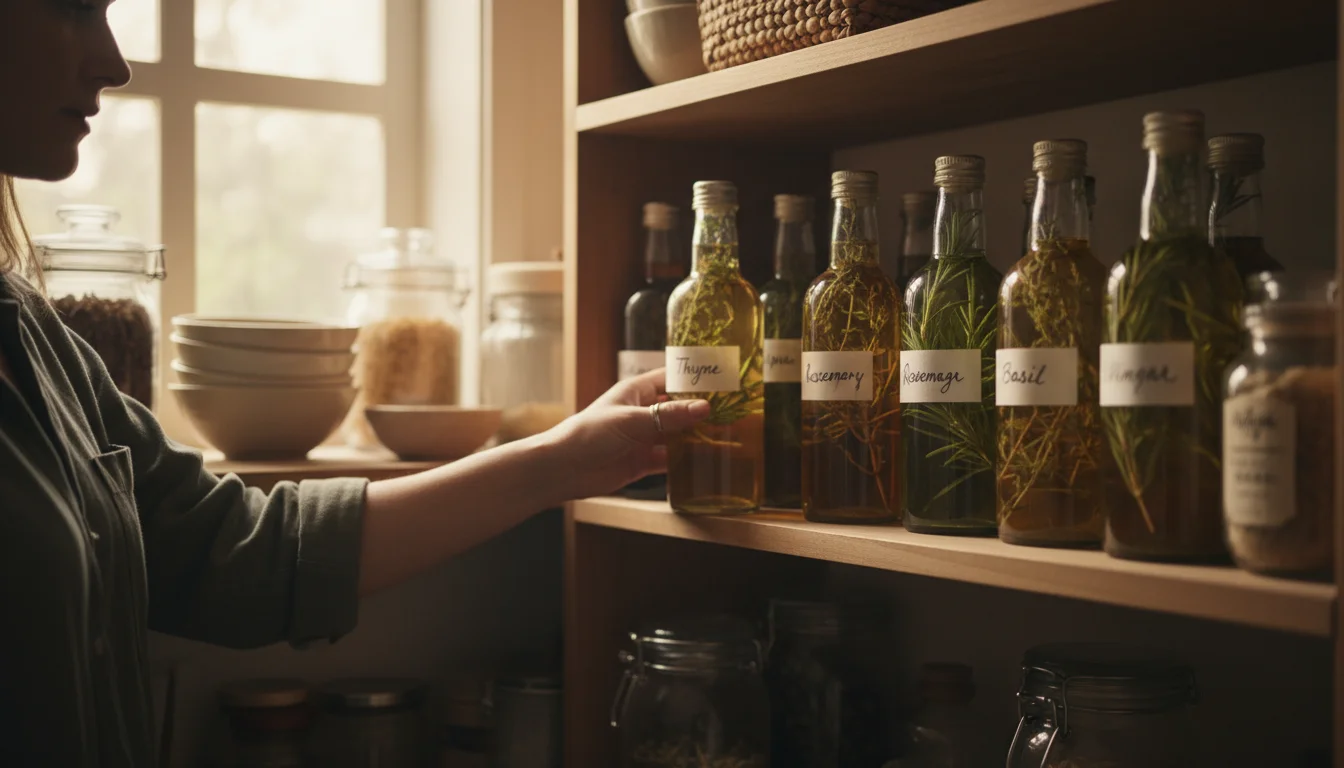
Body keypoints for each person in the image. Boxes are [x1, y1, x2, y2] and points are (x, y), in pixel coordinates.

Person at [0, 2, 709, 764]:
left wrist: (567, 459)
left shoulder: (33, 332)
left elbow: (238, 554)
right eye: (69, 8)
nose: (114, 62)